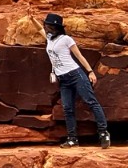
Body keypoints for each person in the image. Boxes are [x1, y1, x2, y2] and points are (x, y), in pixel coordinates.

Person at [44, 13, 111, 147]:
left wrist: (90, 72)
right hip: (63, 79)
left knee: (91, 102)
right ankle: (72, 139)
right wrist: (31, 19)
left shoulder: (66, 39)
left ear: (55, 27)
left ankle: (103, 133)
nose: (45, 27)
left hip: (75, 75)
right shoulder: (49, 38)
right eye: (45, 25)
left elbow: (79, 56)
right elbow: (39, 30)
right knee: (68, 108)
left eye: (48, 25)